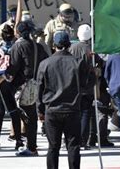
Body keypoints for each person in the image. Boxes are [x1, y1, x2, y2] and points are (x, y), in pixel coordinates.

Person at [37, 31, 89, 169]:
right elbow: (86, 84)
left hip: (52, 109)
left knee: (53, 147)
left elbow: (40, 89)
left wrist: (40, 110)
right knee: (73, 146)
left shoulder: (45, 64)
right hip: (72, 109)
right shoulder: (77, 63)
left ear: (54, 45)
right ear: (68, 45)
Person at [8, 21, 49, 156]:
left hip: (21, 85)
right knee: (32, 116)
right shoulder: (38, 47)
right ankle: (32, 145)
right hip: (36, 84)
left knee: (21, 115)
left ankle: (25, 144)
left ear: (18, 32)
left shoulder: (17, 47)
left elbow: (13, 68)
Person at [0, 25, 21, 150]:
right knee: (13, 112)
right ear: (13, 36)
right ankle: (18, 140)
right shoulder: (16, 50)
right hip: (11, 83)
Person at [69, 24, 96, 150]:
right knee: (85, 114)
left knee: (74, 114)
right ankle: (83, 141)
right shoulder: (91, 49)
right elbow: (98, 65)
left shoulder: (71, 48)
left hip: (73, 86)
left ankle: (72, 139)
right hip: (88, 87)